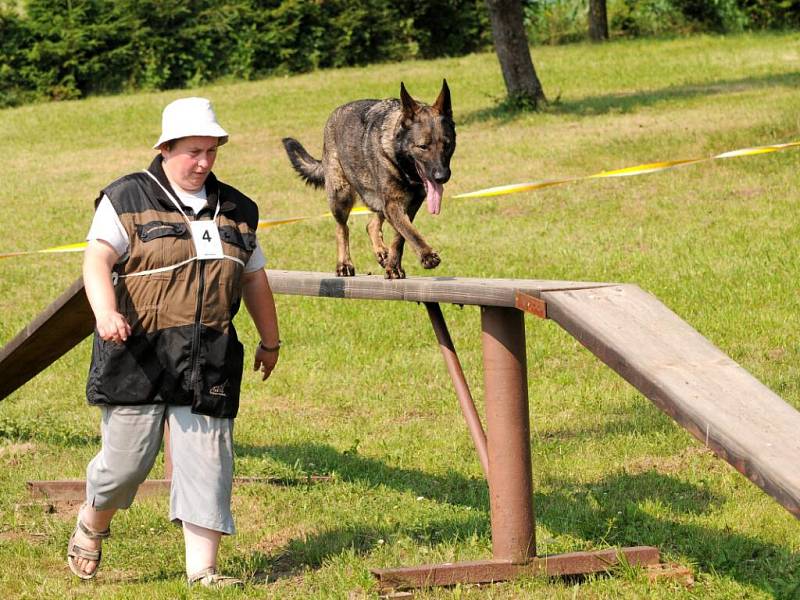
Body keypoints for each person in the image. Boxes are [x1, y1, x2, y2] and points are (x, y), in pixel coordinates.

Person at [66, 97, 280, 588]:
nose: (203, 162)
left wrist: (271, 340)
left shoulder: (238, 210)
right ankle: (92, 523)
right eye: (192, 151)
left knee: (209, 463)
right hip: (139, 354)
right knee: (126, 465)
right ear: (165, 149)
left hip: (210, 356)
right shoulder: (126, 197)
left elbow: (253, 278)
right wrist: (105, 312)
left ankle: (202, 571)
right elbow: (96, 261)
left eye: (211, 151)